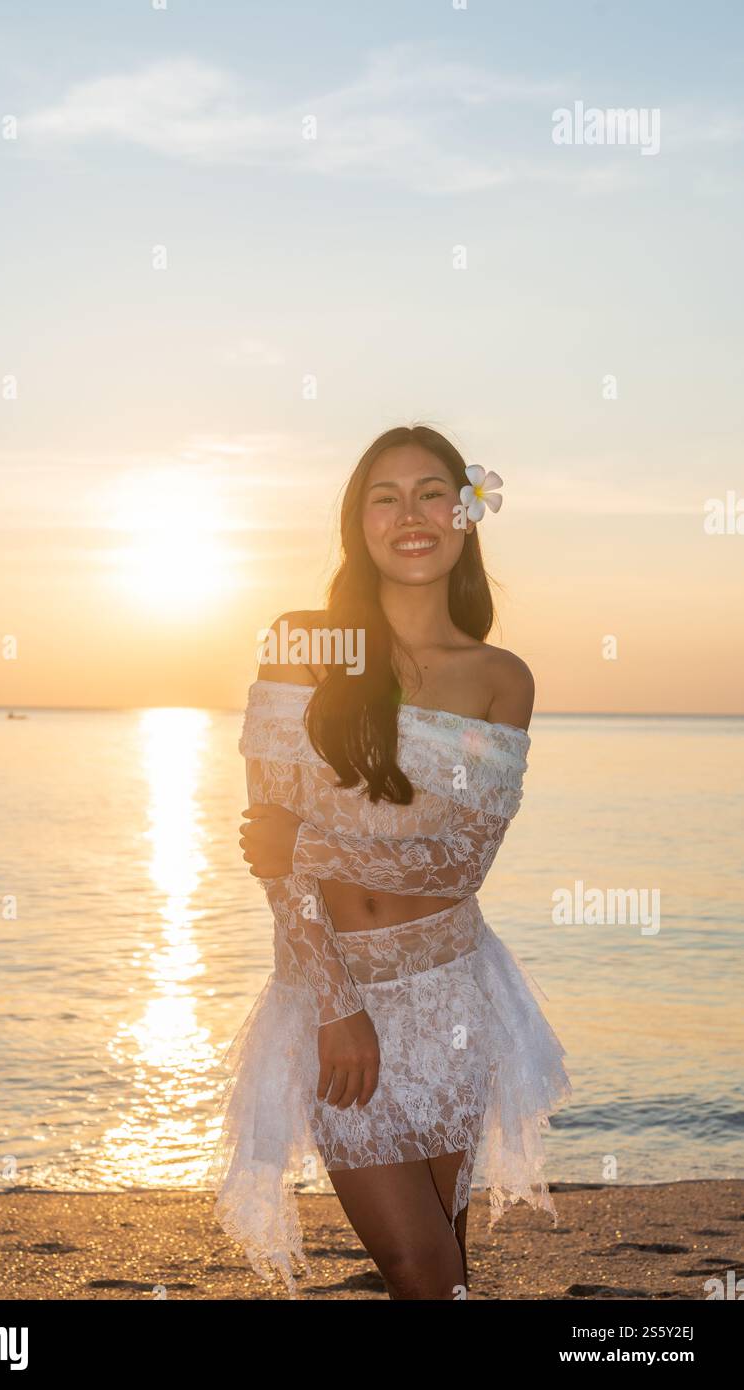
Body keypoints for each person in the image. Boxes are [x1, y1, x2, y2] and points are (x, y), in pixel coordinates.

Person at [206, 424, 572, 1299]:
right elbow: (269, 851)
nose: (410, 515)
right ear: (357, 523)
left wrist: (311, 842)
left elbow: (460, 867)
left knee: (443, 1256)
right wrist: (336, 1006)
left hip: (450, 991)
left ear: (465, 513)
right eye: (385, 496)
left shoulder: (499, 677)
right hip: (330, 991)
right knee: (415, 1263)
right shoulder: (301, 644)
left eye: (429, 492)